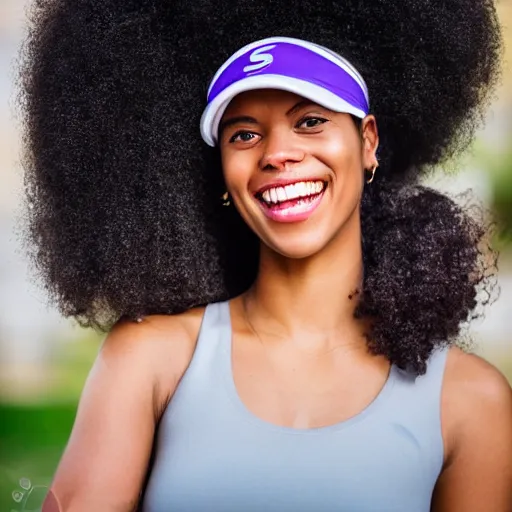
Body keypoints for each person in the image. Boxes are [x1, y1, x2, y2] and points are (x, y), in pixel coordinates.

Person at [18, 0, 512, 511]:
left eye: (311, 121)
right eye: (245, 134)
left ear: (367, 142)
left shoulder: (469, 400)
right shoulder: (150, 359)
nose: (277, 153)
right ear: (224, 173)